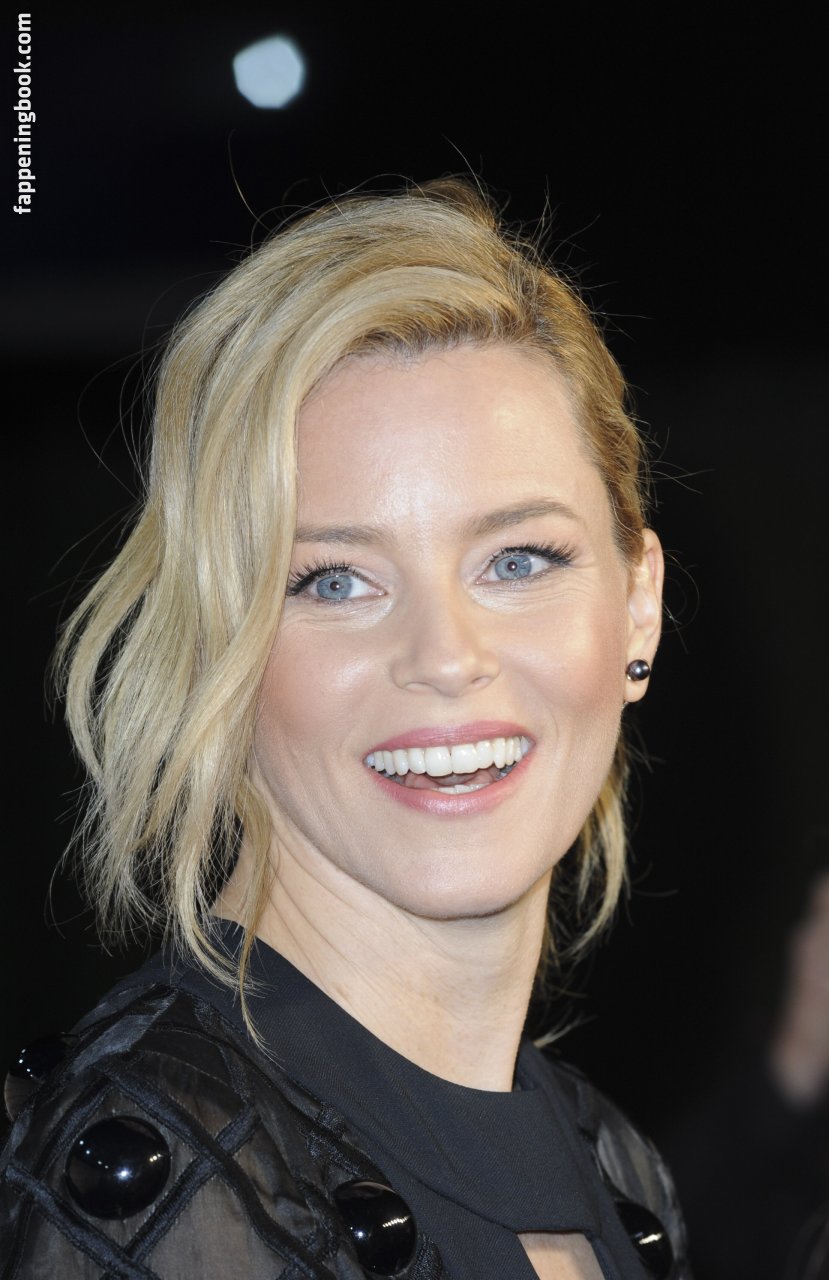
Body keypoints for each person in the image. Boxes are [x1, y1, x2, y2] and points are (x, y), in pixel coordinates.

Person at [0, 180, 687, 1279]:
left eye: (518, 560)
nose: (446, 655)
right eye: (334, 580)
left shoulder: (620, 1173)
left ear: (637, 605)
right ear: (215, 642)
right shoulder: (165, 1192)